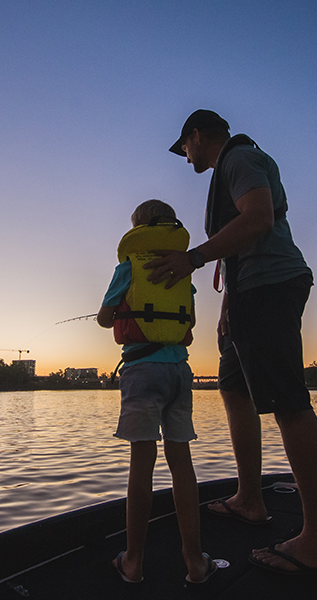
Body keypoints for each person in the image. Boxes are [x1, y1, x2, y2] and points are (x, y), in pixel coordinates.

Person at [145, 110, 317, 574]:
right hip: (246, 296)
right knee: (233, 389)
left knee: (289, 403)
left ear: (196, 136)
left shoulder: (240, 160)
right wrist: (227, 310)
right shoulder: (229, 171)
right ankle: (249, 498)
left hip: (270, 287)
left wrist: (191, 258)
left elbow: (257, 218)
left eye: (185, 148)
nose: (186, 157)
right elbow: (235, 246)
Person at [98, 199, 216, 585]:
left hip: (141, 371)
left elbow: (104, 318)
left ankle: (134, 562)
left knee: (141, 467)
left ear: (139, 229)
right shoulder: (183, 272)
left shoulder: (128, 266)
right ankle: (195, 561)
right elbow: (192, 321)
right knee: (182, 463)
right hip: (179, 372)